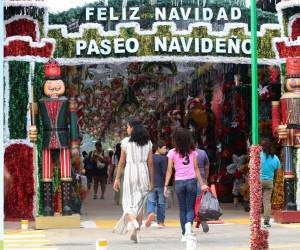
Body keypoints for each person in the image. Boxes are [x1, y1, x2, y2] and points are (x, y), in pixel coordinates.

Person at [113, 117, 154, 243]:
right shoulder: (148, 143)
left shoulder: (125, 142)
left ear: (132, 127)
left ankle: (134, 222)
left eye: (127, 126)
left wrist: (117, 178)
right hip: (143, 172)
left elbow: (121, 162)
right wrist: (152, 182)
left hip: (130, 172)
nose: (126, 129)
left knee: (128, 202)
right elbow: (150, 163)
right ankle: (136, 231)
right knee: (140, 205)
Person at [164, 128, 208, 242]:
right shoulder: (193, 152)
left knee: (182, 208)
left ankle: (184, 234)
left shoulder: (171, 153)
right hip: (191, 182)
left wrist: (165, 185)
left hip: (179, 183)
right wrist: (202, 184)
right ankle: (189, 225)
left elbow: (169, 170)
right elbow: (196, 169)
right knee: (191, 208)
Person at [145, 140, 167, 229]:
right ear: (158, 148)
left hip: (151, 183)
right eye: (164, 148)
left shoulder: (149, 157)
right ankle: (161, 222)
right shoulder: (163, 158)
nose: (166, 150)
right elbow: (165, 172)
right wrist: (166, 185)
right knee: (161, 203)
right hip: (160, 184)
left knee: (151, 201)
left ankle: (151, 213)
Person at [260, 138, 281, 228]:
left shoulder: (258, 156)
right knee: (267, 202)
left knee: (256, 201)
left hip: (258, 181)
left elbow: (250, 166)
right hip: (269, 182)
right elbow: (278, 169)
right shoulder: (275, 157)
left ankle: (254, 219)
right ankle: (266, 222)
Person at [195, 144, 210, 233]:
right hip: (201, 179)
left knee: (190, 200)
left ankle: (191, 220)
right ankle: (202, 218)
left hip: (188, 178)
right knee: (200, 200)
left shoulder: (186, 152)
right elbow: (207, 167)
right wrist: (205, 179)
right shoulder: (202, 152)